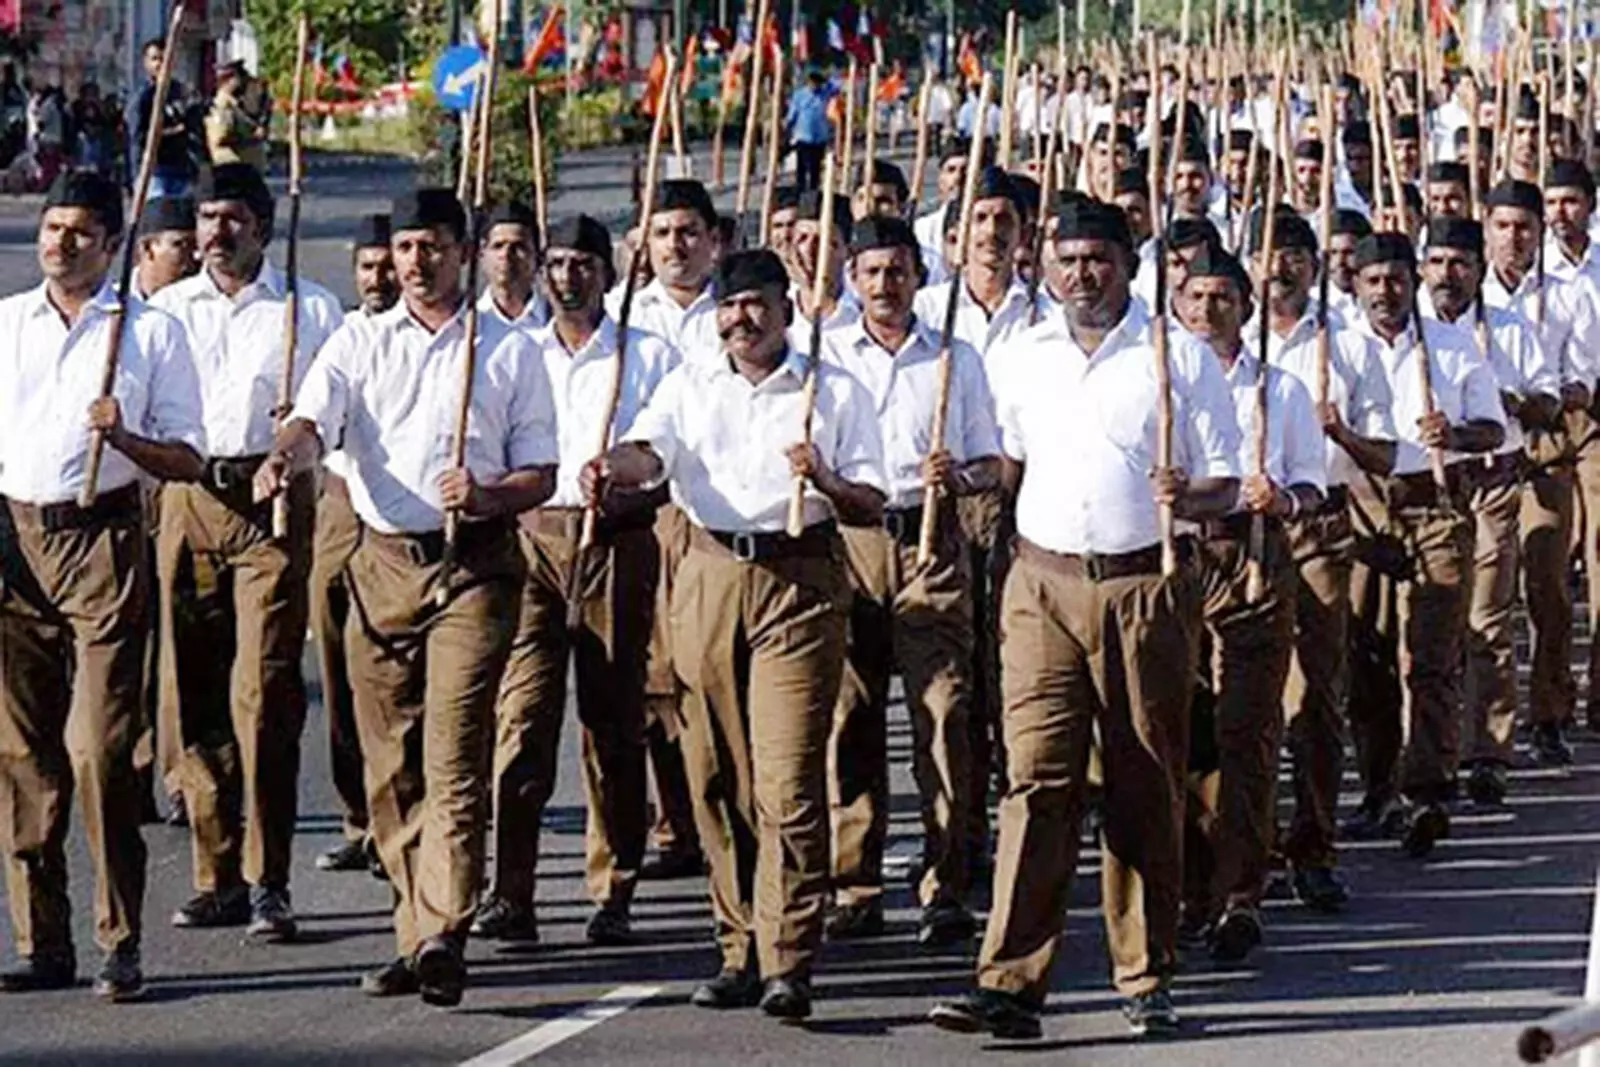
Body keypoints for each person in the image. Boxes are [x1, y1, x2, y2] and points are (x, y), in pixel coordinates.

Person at [928, 198, 1241, 1041]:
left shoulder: (1176, 355)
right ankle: (1009, 981)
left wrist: (1189, 495)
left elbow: (1227, 482)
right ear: (1046, 266)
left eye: (1098, 258)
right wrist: (962, 476)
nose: (1082, 275)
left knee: (1143, 778)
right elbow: (1008, 463)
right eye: (1066, 260)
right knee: (1035, 779)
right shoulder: (1024, 355)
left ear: (1129, 264)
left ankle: (1145, 972)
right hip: (1040, 584)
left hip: (1144, 586)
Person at [253, 187, 559, 1006]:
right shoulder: (359, 340)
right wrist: (284, 456)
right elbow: (312, 421)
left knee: (453, 753)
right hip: (381, 567)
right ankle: (413, 929)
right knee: (389, 767)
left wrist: (488, 494)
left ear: (463, 254)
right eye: (406, 248)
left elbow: (542, 473)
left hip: (473, 566)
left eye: (433, 247)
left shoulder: (507, 350)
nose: (417, 263)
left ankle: (444, 931)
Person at [580, 248, 887, 1021]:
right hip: (709, 574)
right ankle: (738, 944)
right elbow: (650, 453)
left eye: (755, 304)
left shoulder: (831, 389)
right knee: (715, 771)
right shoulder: (689, 383)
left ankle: (789, 955)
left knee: (786, 777)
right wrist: (611, 465)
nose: (740, 319)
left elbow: (871, 503)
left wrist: (825, 478)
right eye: (729, 305)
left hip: (799, 579)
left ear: (787, 308)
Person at [0, 171, 206, 1001]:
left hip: (103, 542)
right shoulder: (8, 324)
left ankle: (119, 937)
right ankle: (42, 939)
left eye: (81, 231)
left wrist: (125, 436)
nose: (61, 242)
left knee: (98, 751)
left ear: (113, 244)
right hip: (15, 541)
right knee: (22, 755)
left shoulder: (147, 333)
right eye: (53, 227)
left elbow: (188, 457)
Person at [151, 164, 344, 941]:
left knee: (263, 693)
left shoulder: (308, 308)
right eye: (207, 218)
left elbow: (331, 414)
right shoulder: (166, 311)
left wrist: (294, 434)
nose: (217, 232)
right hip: (189, 498)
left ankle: (270, 878)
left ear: (262, 226)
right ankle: (218, 873)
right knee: (194, 693)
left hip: (271, 507)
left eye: (232, 218)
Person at [474, 215, 679, 947]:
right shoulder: (513, 352)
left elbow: (670, 459)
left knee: (612, 721)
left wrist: (625, 484)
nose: (569, 277)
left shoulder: (645, 354)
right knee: (521, 719)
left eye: (584, 264)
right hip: (530, 544)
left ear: (607, 272)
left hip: (616, 544)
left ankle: (614, 886)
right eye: (557, 263)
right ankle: (511, 891)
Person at [821, 215, 998, 946]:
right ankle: (855, 884)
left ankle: (945, 882)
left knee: (944, 713)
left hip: (931, 544)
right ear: (852, 279)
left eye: (898, 271)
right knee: (849, 718)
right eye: (871, 272)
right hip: (850, 545)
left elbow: (993, 462)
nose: (885, 285)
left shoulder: (955, 358)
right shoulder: (825, 356)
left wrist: (960, 476)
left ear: (919, 277)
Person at [1173, 235, 1326, 963]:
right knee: (1184, 731)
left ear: (1245, 307)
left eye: (1224, 298)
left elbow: (1313, 486)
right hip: (1177, 560)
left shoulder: (1279, 389)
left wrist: (1283, 500)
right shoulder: (1161, 382)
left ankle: (1241, 892)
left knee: (1249, 729)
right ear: (1179, 305)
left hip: (1254, 560)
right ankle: (1189, 888)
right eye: (1198, 297)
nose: (1209, 309)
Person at [1342, 232, 1506, 857]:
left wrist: (1455, 435)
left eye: (1395, 279)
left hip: (1435, 505)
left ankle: (1429, 791)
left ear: (1413, 282)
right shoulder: (1336, 348)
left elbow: (1493, 429)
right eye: (1372, 280)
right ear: (1355, 285)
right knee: (1369, 660)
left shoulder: (1451, 345)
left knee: (1431, 656)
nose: (1385, 291)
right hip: (1363, 511)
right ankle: (1377, 789)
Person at [1419, 215, 1560, 805]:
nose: (1447, 274)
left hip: (1493, 485)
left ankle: (1488, 751)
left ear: (1479, 270)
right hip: (1427, 494)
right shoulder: (1409, 332)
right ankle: (1428, 755)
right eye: (1437, 262)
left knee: (1487, 619)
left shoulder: (1508, 328)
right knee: (1429, 629)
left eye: (1460, 264)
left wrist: (1514, 403)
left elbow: (1550, 398)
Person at [312, 213, 396, 877]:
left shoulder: (455, 341)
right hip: (342, 510)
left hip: (406, 525)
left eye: (388, 264)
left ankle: (403, 813)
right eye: (368, 266)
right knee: (340, 668)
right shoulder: (340, 335)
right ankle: (359, 816)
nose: (380, 277)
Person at [1544, 160, 1600, 736]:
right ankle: (1551, 701)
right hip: (1546, 422)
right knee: (1552, 563)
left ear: (1590, 204)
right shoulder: (1536, 274)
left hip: (1598, 417)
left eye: (1571, 201)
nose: (1561, 212)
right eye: (1553, 201)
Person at [136, 37, 195, 198]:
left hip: (182, 168)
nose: (160, 64)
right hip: (156, 171)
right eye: (154, 59)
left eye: (164, 58)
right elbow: (139, 136)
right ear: (146, 63)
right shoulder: (144, 96)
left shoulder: (180, 92)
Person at [479, 201, 549, 333]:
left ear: (537, 256)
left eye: (518, 247)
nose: (506, 254)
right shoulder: (468, 324)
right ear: (482, 254)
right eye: (498, 246)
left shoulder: (555, 324)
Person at [204, 60, 267, 171]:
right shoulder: (223, 101)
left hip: (246, 158)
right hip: (231, 159)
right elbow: (220, 136)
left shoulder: (250, 92)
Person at [132, 196, 197, 302]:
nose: (195, 256)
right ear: (147, 248)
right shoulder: (112, 301)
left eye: (196, 247)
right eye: (180, 245)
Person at [785, 70, 834, 194]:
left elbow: (837, 85)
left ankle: (813, 193)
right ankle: (800, 190)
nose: (815, 85)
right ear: (808, 82)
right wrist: (787, 133)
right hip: (803, 137)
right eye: (813, 82)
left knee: (815, 169)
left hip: (819, 139)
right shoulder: (799, 95)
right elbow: (792, 115)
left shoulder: (825, 94)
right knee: (802, 167)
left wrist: (827, 79)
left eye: (818, 83)